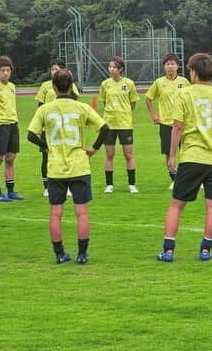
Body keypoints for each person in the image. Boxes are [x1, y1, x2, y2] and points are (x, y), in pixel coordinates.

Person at [157, 53, 212, 262]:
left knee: (176, 204)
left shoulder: (184, 94)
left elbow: (178, 126)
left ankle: (168, 250)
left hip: (191, 157)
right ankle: (206, 249)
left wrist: (172, 155)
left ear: (193, 72)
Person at [28, 69, 109, 264]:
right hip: (79, 166)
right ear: (72, 86)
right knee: (81, 212)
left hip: (55, 167)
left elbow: (31, 134)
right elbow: (105, 128)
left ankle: (59, 253)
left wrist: (45, 146)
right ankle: (82, 254)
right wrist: (94, 149)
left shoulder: (45, 109)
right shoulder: (81, 107)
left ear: (54, 88)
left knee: (56, 213)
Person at [34, 58, 80, 197]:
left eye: (58, 69)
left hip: (65, 126)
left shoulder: (70, 85)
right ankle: (47, 186)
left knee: (66, 156)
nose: (55, 72)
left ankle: (67, 186)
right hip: (49, 128)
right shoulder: (45, 86)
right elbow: (40, 107)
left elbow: (75, 100)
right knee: (46, 157)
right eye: (53, 69)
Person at [145, 53, 190, 190]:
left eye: (173, 64)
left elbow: (190, 99)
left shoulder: (184, 82)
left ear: (177, 66)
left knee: (186, 151)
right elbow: (148, 98)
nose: (170, 66)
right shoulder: (159, 83)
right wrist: (154, 115)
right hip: (166, 123)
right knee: (169, 153)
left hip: (183, 123)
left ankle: (187, 178)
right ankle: (174, 179)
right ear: (164, 67)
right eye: (167, 64)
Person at [98, 56, 139, 194]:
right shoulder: (105, 84)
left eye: (114, 67)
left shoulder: (129, 83)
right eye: (110, 66)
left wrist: (124, 113)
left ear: (121, 69)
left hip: (125, 124)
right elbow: (104, 102)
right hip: (109, 124)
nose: (111, 69)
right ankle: (109, 184)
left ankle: (132, 184)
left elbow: (132, 103)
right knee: (109, 154)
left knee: (128, 154)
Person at [0, 55, 23, 201]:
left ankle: (11, 190)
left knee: (11, 158)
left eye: (8, 70)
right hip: (0, 125)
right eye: (3, 70)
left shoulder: (12, 86)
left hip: (13, 124)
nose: (6, 73)